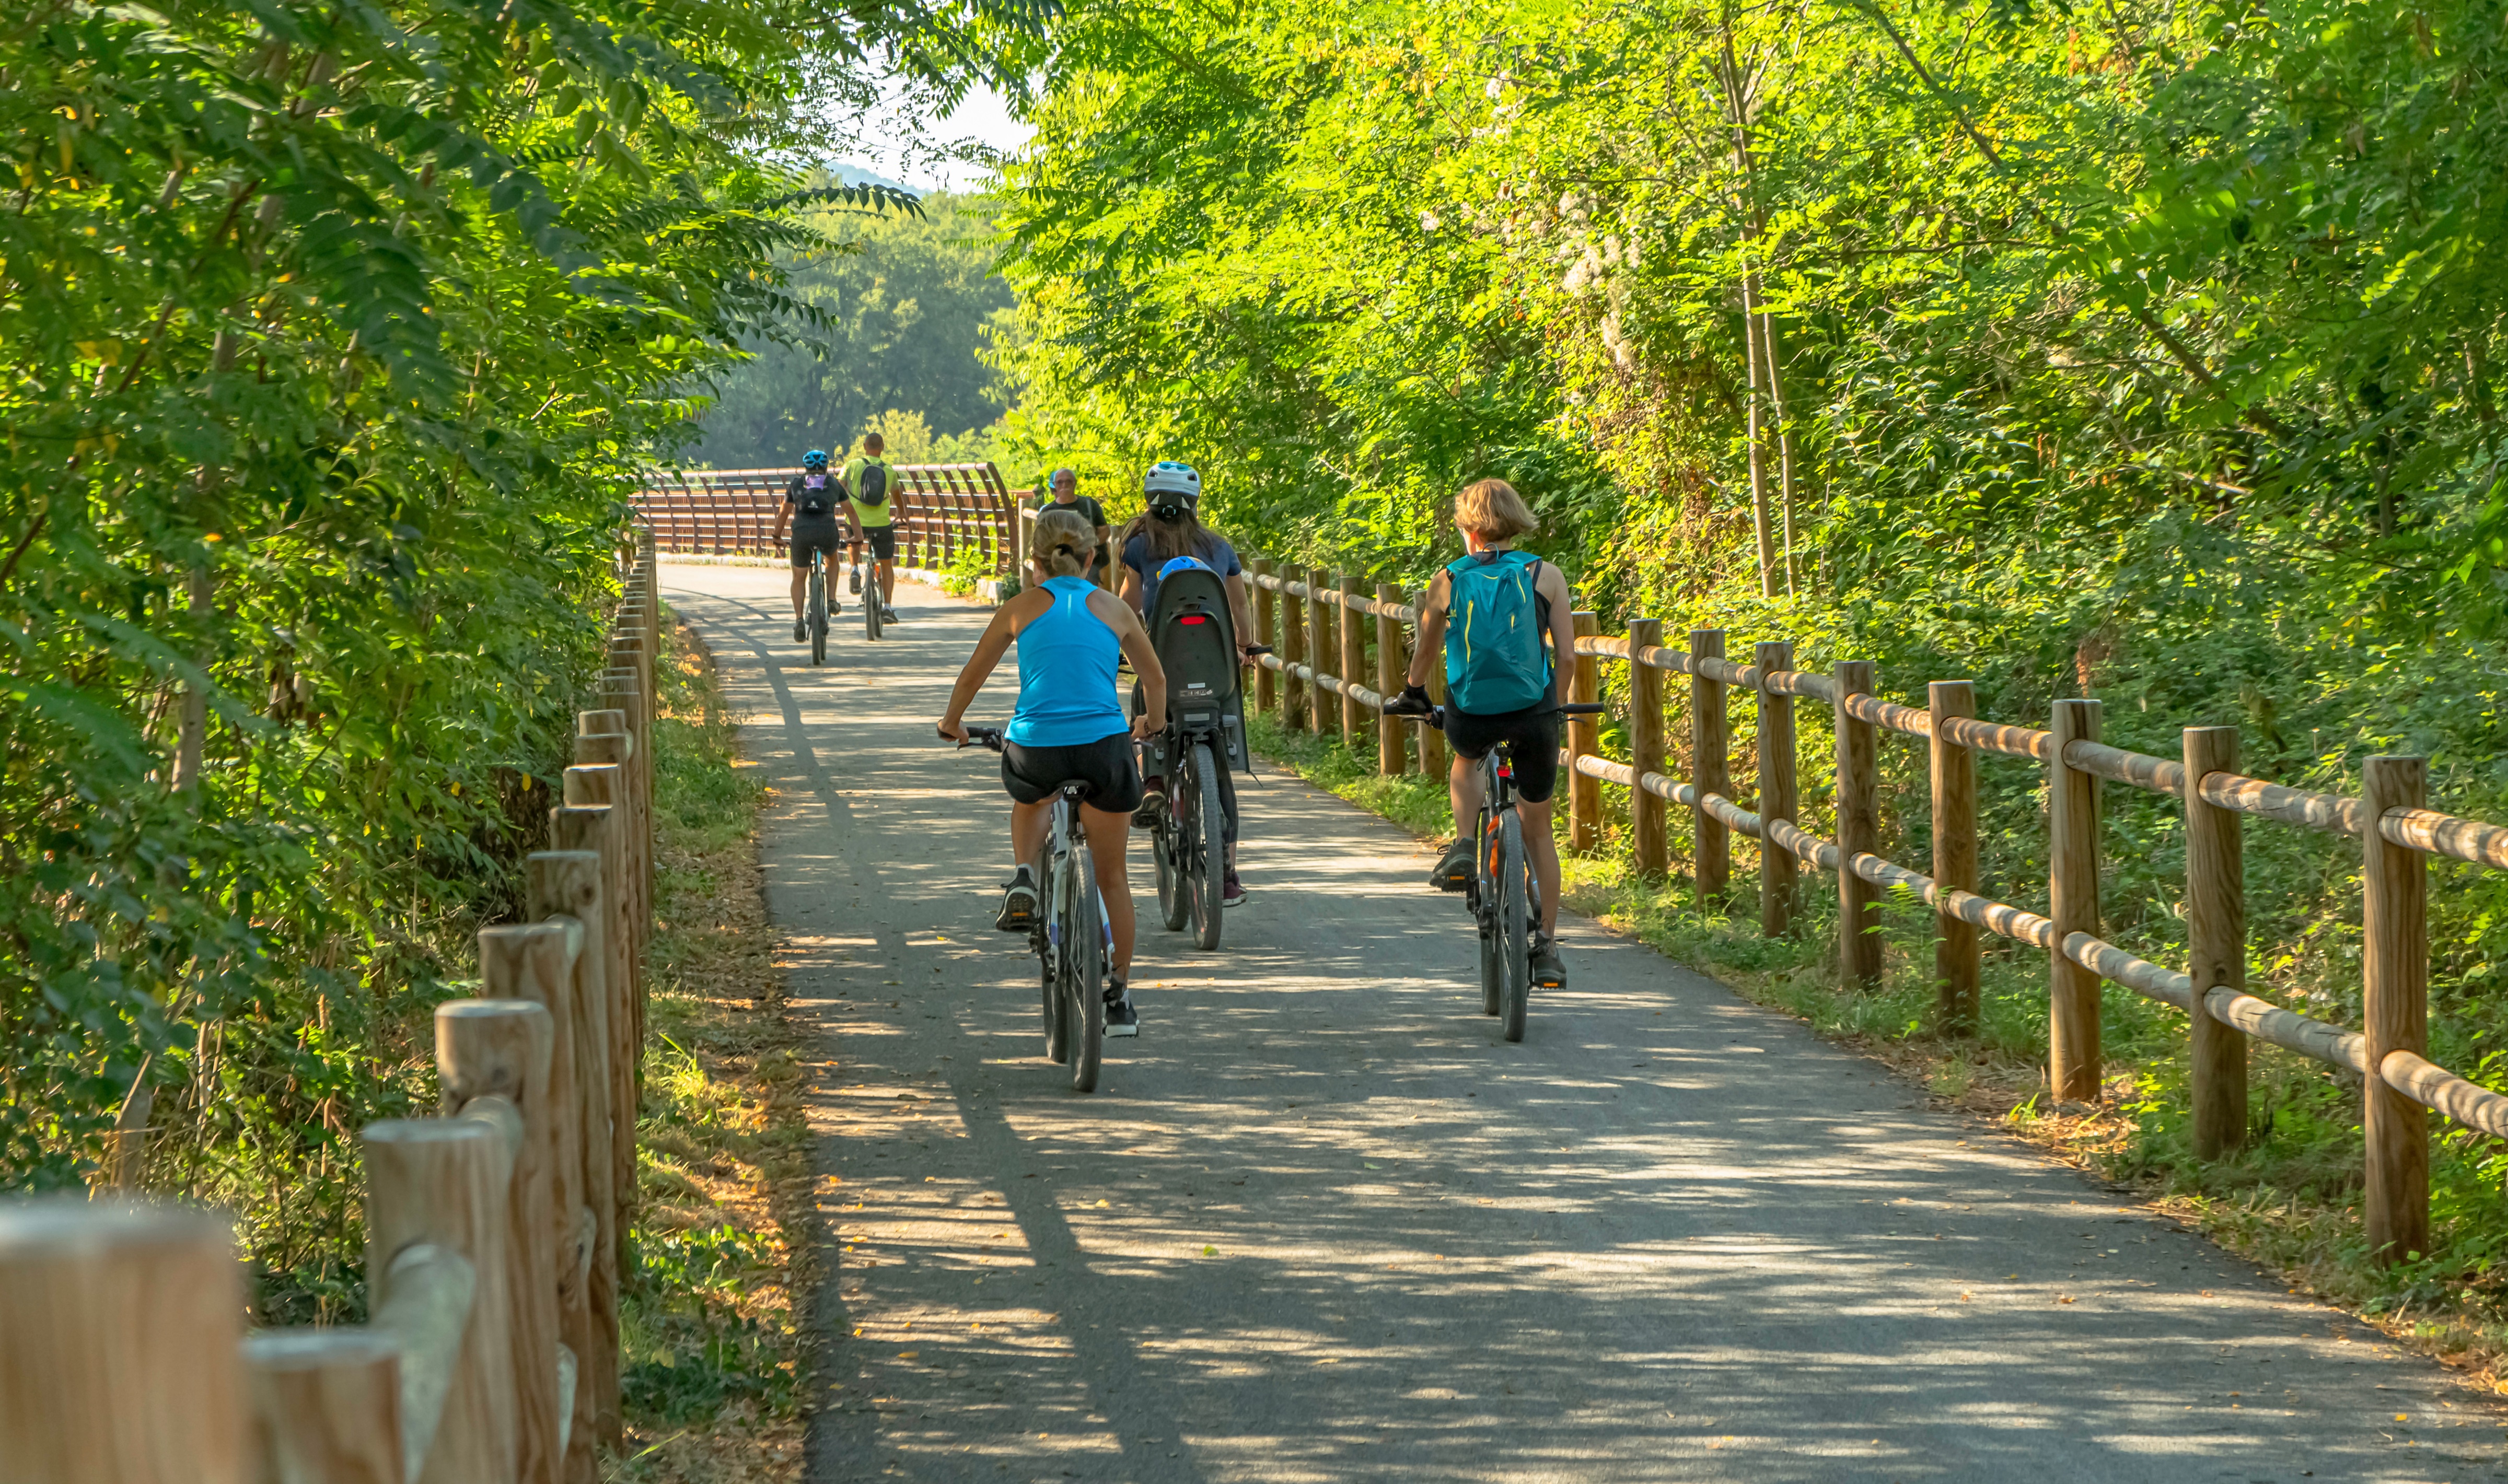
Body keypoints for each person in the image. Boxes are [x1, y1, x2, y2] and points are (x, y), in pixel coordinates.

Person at [937, 507, 1166, 1036]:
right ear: (1092, 559)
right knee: (1112, 878)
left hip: (1037, 747)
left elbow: (973, 675)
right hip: (1104, 749)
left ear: (1035, 562)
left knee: (1033, 797)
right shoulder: (1113, 608)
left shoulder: (1018, 609)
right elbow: (1154, 680)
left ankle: (1024, 874)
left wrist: (953, 723)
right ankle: (1118, 998)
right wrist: (1150, 727)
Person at [1387, 478, 1575, 989]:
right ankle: (1549, 947)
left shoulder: (1447, 578)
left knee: (1467, 760)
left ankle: (1466, 843)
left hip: (1472, 710)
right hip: (1535, 712)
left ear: (1470, 529)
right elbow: (1569, 656)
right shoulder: (1546, 574)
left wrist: (1414, 691)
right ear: (1517, 521)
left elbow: (1427, 648)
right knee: (1539, 832)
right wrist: (1551, 706)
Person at [1116, 461, 1257, 905]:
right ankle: (1228, 873)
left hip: (1164, 665)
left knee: (1146, 690)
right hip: (1215, 670)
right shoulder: (1220, 546)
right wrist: (1245, 647)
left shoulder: (1138, 546)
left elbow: (1127, 603)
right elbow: (1238, 603)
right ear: (1195, 503)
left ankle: (1154, 781)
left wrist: (1121, 645)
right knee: (1220, 762)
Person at [771, 449, 844, 640]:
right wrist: (858, 537)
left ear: (805, 468)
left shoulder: (796, 485)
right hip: (827, 533)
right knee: (832, 559)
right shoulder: (833, 484)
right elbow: (851, 512)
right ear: (827, 467)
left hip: (801, 534)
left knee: (799, 577)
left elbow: (784, 513)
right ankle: (832, 599)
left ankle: (798, 620)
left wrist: (777, 537)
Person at [844, 432, 901, 624]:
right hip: (882, 523)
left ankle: (854, 569)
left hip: (856, 521)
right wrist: (901, 514)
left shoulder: (852, 465)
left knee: (855, 539)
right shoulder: (889, 470)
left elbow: (839, 487)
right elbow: (897, 495)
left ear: (864, 445)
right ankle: (887, 607)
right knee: (886, 563)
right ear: (882, 447)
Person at [1037, 468, 1112, 583]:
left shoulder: (1089, 505)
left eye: (1069, 481)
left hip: (1088, 563)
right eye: (1060, 482)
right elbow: (1039, 541)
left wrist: (1093, 542)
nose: (1064, 485)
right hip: (1056, 564)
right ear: (1055, 485)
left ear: (1075, 483)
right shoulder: (1047, 512)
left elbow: (1105, 530)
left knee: (1088, 595)